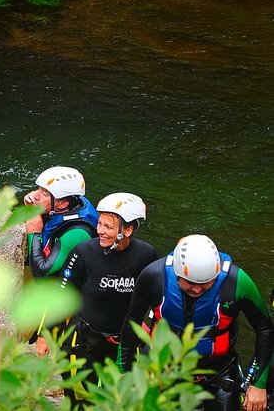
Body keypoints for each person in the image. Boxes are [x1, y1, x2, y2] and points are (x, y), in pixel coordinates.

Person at [118, 234, 273, 411]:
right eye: (190, 283)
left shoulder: (236, 281)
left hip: (218, 374)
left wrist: (258, 384)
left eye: (206, 283)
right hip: (165, 371)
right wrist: (125, 373)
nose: (197, 289)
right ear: (177, 273)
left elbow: (264, 329)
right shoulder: (153, 277)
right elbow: (132, 322)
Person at [54, 192, 159, 402]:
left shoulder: (146, 256)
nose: (99, 230)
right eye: (100, 223)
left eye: (108, 227)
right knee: (79, 402)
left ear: (128, 230)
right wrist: (47, 335)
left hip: (125, 346)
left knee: (122, 403)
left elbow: (157, 303)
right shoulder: (84, 252)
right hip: (84, 342)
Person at [23, 166, 98, 350]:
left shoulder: (77, 233)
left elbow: (43, 272)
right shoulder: (67, 205)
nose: (35, 195)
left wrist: (34, 233)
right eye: (38, 189)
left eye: (44, 193)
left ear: (63, 203)